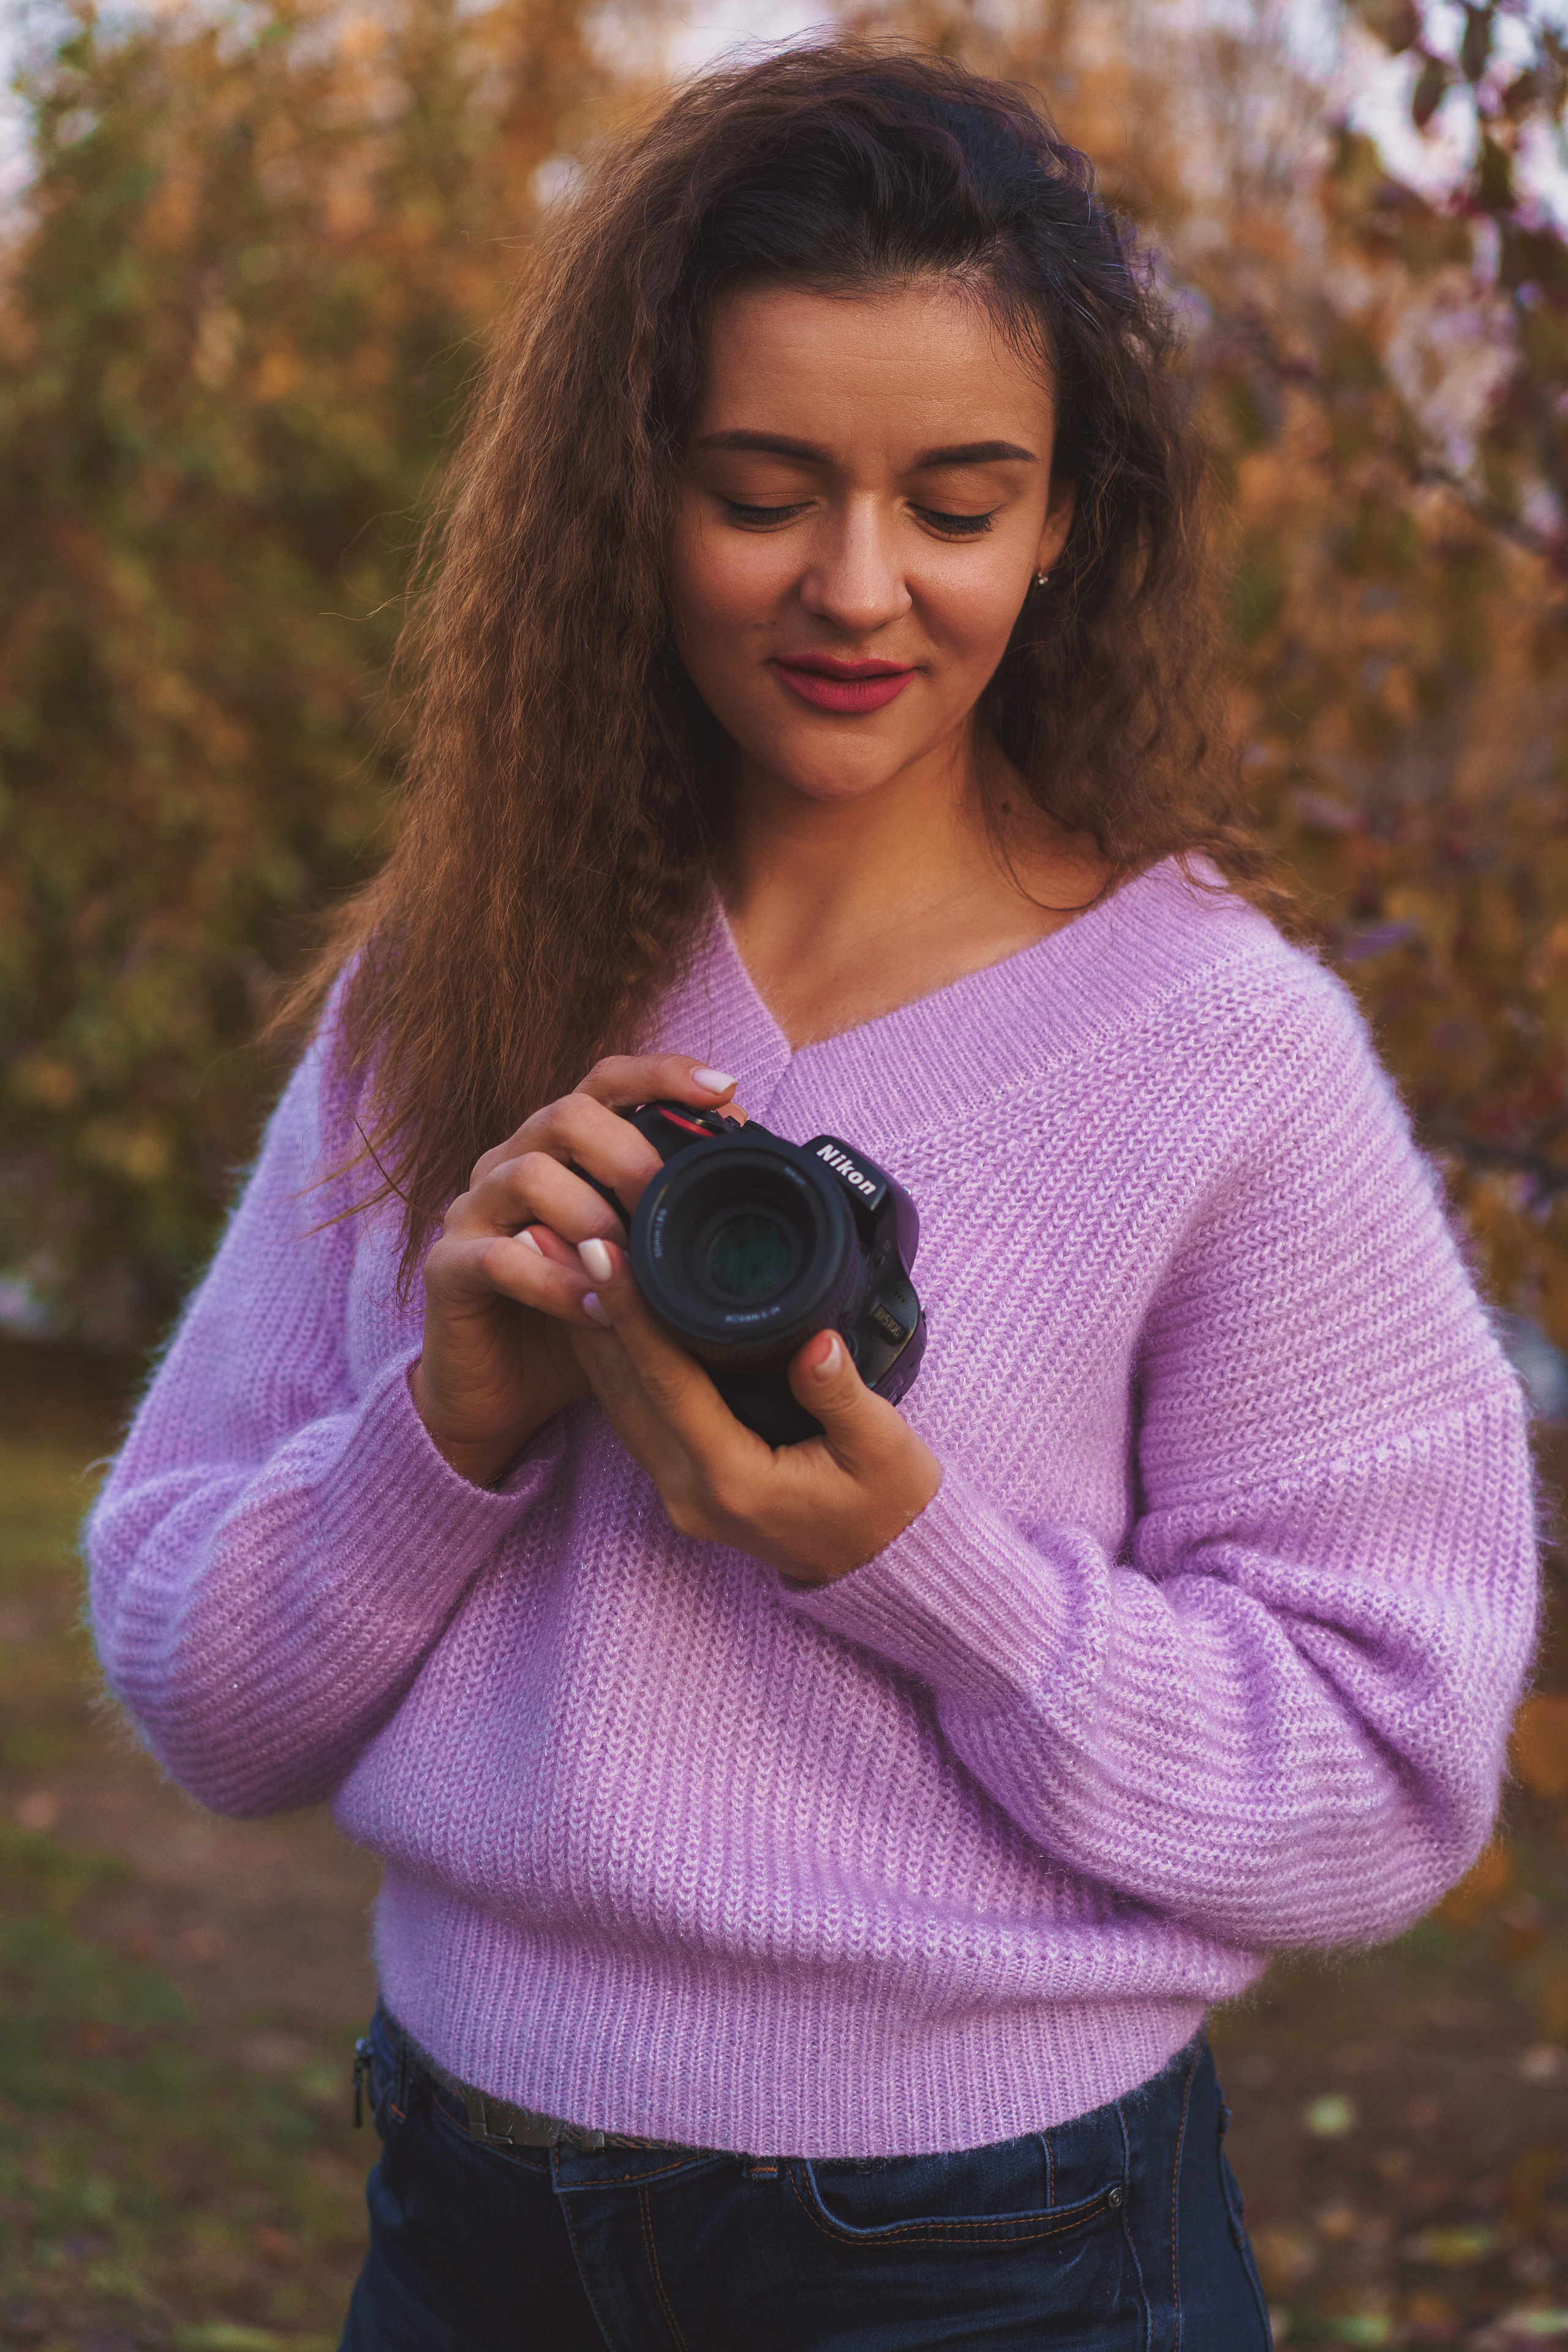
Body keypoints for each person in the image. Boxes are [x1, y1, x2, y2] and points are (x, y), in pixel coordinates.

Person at [87, 42, 1539, 2351]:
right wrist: (443, 1430)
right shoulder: (461, 981)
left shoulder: (1222, 1052)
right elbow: (199, 1693)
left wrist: (914, 1568)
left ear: (1064, 522)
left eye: (958, 504)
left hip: (993, 2251)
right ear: (626, 495)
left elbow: (1387, 1775)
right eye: (761, 487)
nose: (858, 587)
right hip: (468, 2220)